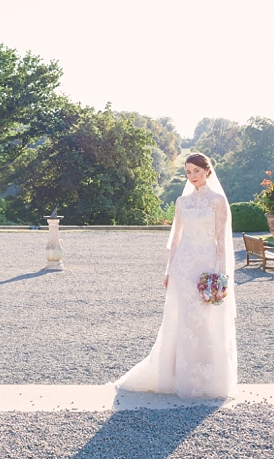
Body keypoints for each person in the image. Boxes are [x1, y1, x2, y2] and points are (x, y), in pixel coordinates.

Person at [115, 152, 238, 399]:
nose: (192, 176)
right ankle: (179, 377)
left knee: (205, 319)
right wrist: (169, 270)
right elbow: (176, 240)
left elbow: (221, 240)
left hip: (206, 266)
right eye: (188, 172)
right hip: (183, 267)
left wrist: (221, 275)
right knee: (182, 320)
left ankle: (208, 378)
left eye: (196, 171)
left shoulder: (217, 201)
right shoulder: (182, 202)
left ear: (207, 171)